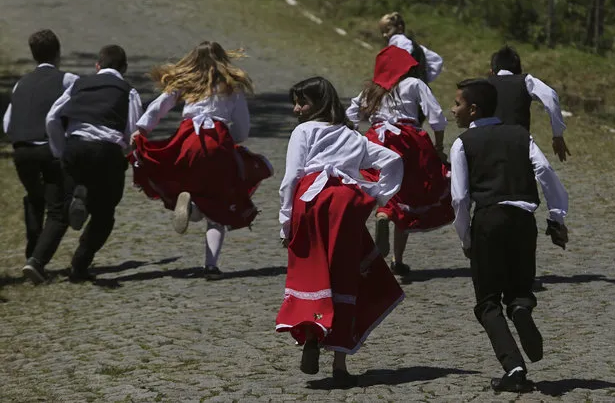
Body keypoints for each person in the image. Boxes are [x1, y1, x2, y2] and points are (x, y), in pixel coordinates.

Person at [276, 77, 405, 387]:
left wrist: (285, 221)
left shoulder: (303, 131)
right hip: (345, 205)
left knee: (312, 273)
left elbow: (292, 176)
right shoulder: (351, 135)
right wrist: (377, 196)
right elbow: (393, 159)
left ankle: (311, 332)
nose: (296, 108)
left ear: (317, 104)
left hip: (312, 203)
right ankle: (340, 365)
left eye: (302, 102)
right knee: (344, 275)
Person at [450, 78, 569, 392]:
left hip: (488, 219)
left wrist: (466, 238)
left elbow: (460, 199)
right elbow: (544, 171)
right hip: (523, 219)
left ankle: (514, 368)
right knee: (518, 290)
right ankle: (520, 310)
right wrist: (556, 215)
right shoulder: (521, 135)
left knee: (487, 302)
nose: (453, 110)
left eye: (457, 103)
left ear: (473, 110)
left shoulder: (463, 143)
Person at [129, 41, 272, 280]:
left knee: (176, 178)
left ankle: (192, 207)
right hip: (217, 141)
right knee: (217, 201)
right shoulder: (231, 86)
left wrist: (142, 129)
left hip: (188, 140)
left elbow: (159, 105)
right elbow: (243, 129)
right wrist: (231, 140)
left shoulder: (186, 82)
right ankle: (211, 265)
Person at [346, 46, 454, 276]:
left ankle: (383, 214)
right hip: (408, 140)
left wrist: (356, 136)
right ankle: (398, 258)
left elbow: (350, 115)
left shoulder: (371, 90)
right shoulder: (414, 84)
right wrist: (439, 146)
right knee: (407, 193)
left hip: (377, 139)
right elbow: (436, 117)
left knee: (384, 186)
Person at [46, 45, 143, 283]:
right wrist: (125, 155)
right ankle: (80, 263)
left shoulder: (77, 85)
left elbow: (52, 116)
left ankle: (80, 195)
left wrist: (60, 151)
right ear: (125, 68)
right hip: (107, 151)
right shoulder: (128, 91)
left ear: (97, 66)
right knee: (104, 214)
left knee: (76, 188)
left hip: (76, 146)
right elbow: (134, 131)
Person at [2, 29, 78, 284]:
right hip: (48, 149)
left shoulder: (20, 83)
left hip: (21, 151)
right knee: (59, 210)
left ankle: (31, 253)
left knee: (35, 198)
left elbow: (7, 122)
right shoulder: (68, 80)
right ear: (58, 53)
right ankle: (36, 261)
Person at [488, 46, 570, 162]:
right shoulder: (525, 80)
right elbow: (550, 96)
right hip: (519, 145)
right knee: (543, 169)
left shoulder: (485, 83)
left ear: (492, 71)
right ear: (519, 70)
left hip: (489, 146)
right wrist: (557, 135)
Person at [379, 11, 443, 84]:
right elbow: (437, 60)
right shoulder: (416, 46)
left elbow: (402, 57)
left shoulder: (397, 39)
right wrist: (424, 78)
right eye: (382, 32)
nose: (384, 35)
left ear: (399, 27)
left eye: (387, 30)